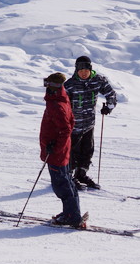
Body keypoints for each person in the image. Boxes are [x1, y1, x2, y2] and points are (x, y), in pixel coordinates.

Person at [63, 55, 117, 189]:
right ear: (76, 70)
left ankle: (81, 174)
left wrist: (108, 106)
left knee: (87, 150)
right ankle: (69, 177)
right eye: (81, 70)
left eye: (86, 70)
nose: (84, 73)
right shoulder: (69, 85)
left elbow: (111, 94)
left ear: (90, 69)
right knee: (72, 152)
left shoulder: (97, 80)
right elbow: (62, 105)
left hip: (89, 124)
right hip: (73, 125)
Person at [40, 72, 85, 228]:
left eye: (49, 85)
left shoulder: (56, 105)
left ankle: (71, 216)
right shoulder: (62, 100)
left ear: (55, 86)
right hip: (62, 151)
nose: (47, 88)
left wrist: (55, 147)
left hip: (56, 154)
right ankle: (72, 213)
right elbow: (71, 122)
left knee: (61, 185)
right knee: (67, 182)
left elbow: (66, 129)